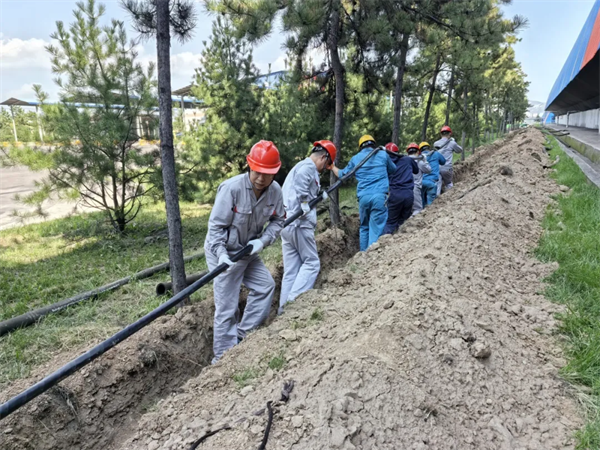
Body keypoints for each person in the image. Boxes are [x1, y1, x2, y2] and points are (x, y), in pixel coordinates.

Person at [204, 140, 285, 364]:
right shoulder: (232, 189)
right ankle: (222, 360)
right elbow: (216, 227)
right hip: (224, 253)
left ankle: (242, 337)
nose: (260, 178)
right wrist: (221, 254)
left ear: (275, 172)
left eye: (267, 174)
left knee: (265, 286)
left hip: (248, 250)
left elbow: (279, 220)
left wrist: (263, 241)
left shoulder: (275, 192)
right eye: (257, 171)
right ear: (250, 166)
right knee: (227, 307)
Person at [279, 140, 336, 314]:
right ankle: (293, 305)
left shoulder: (299, 166)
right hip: (299, 224)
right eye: (326, 165)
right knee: (312, 263)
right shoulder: (308, 167)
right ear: (324, 158)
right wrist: (304, 201)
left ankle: (282, 310)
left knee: (291, 271)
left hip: (286, 223)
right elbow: (302, 183)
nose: (323, 169)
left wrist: (316, 197)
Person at [330, 135, 396, 251]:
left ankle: (362, 254)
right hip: (379, 196)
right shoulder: (383, 154)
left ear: (360, 146)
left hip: (363, 198)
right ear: (374, 144)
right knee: (376, 227)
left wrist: (332, 167)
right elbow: (393, 169)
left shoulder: (355, 158)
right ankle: (371, 255)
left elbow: (342, 175)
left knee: (364, 227)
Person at [382, 142, 418, 235]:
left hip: (395, 195)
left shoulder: (385, 164)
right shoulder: (407, 159)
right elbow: (416, 170)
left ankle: (385, 240)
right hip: (408, 194)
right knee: (404, 222)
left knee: (390, 223)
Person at [434, 125, 463, 192]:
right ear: (450, 133)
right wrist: (454, 142)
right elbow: (460, 150)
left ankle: (436, 197)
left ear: (441, 134)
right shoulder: (452, 143)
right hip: (447, 168)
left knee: (438, 184)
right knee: (449, 183)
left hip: (437, 168)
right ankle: (451, 196)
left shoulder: (435, 143)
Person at [405, 142, 432, 215]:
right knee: (417, 210)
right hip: (415, 188)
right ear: (418, 151)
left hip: (404, 189)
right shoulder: (420, 162)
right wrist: (425, 160)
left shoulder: (404, 161)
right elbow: (429, 170)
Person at [420, 141, 446, 206]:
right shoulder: (436, 154)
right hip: (432, 182)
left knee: (422, 204)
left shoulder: (419, 157)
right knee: (431, 205)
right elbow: (443, 162)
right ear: (429, 148)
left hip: (421, 182)